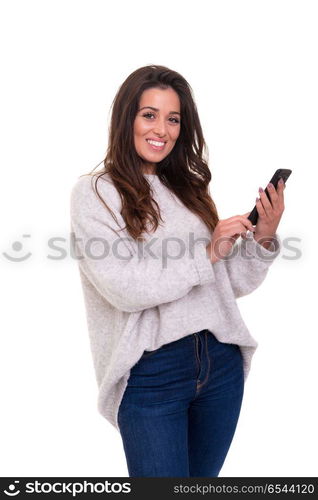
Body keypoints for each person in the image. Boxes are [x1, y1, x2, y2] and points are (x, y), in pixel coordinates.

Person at [70, 64, 285, 477]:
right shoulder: (96, 192)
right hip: (153, 371)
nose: (162, 129)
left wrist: (261, 239)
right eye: (149, 114)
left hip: (220, 363)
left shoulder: (189, 189)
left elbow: (227, 285)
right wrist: (208, 252)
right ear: (126, 118)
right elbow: (124, 288)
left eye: (173, 119)